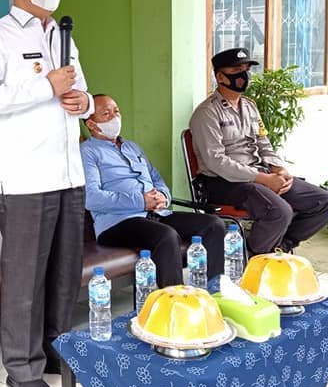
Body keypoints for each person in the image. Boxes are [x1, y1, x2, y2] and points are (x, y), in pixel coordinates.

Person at [0, 0, 93, 387]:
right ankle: (21, 369)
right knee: (26, 279)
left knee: (64, 272)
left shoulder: (61, 35)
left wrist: (85, 102)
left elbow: (81, 92)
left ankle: (56, 350)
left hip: (68, 173)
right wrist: (45, 86)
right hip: (24, 180)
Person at [189, 47, 328, 255]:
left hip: (260, 175)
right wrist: (263, 179)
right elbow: (216, 162)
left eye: (246, 69)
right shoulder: (207, 113)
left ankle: (281, 246)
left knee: (325, 202)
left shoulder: (249, 106)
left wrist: (279, 169)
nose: (244, 75)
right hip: (225, 183)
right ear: (220, 77)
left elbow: (263, 143)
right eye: (236, 70)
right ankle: (251, 256)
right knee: (279, 212)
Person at [83, 94, 226, 287]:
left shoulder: (132, 147)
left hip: (156, 213)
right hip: (118, 223)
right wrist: (141, 201)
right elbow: (91, 198)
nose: (115, 117)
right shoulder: (88, 152)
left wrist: (163, 196)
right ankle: (174, 299)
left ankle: (215, 289)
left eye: (116, 111)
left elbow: (156, 178)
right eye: (106, 113)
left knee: (213, 225)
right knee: (166, 236)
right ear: (91, 124)